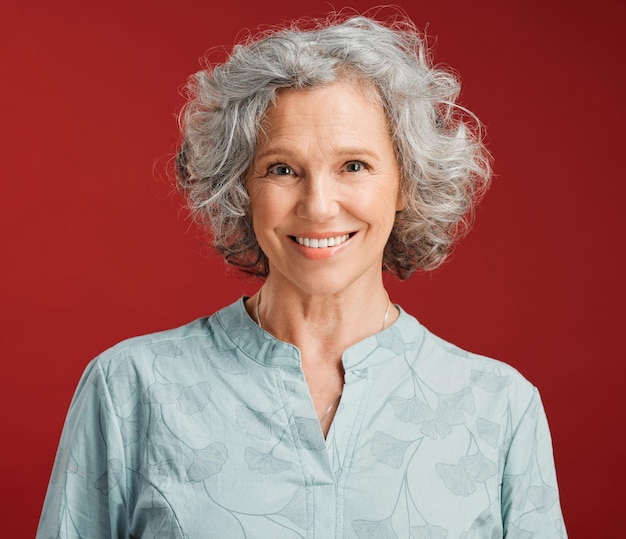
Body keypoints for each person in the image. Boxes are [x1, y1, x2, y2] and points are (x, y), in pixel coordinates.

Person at [37, 14, 567, 538]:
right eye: (282, 169)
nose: (318, 206)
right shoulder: (129, 389)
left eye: (354, 166)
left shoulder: (499, 407)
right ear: (240, 188)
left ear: (406, 183)